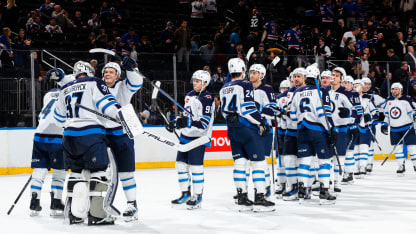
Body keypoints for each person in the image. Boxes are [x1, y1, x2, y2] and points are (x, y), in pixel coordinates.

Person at [53, 61, 128, 225]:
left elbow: (58, 119)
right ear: (90, 71)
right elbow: (107, 105)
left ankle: (75, 215)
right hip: (91, 135)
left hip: (69, 136)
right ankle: (97, 215)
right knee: (99, 172)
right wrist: (122, 117)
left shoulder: (64, 89)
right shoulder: (95, 82)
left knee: (76, 173)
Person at [220, 58, 275, 212]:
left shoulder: (224, 88)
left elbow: (223, 112)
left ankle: (242, 198)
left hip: (231, 128)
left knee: (239, 163)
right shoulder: (245, 84)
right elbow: (248, 108)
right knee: (258, 162)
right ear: (243, 70)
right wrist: (261, 121)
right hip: (246, 128)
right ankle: (259, 199)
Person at [101, 57, 143, 221]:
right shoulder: (98, 88)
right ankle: (101, 205)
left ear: (118, 75)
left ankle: (132, 205)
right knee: (102, 173)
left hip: (122, 134)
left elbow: (136, 83)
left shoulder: (123, 87)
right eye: (105, 71)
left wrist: (131, 69)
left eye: (111, 72)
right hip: (103, 135)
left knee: (126, 172)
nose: (107, 74)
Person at [29, 68, 75, 217]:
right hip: (57, 137)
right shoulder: (70, 95)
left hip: (39, 136)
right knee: (59, 171)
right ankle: (56, 201)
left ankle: (34, 201)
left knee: (39, 170)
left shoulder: (48, 95)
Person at [289, 65, 337, 205]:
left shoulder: (297, 92)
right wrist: (331, 129)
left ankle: (302, 192)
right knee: (324, 161)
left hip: (301, 130)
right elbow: (324, 113)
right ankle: (324, 191)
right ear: (317, 77)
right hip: (318, 131)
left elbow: (292, 115)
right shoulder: (321, 91)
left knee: (304, 161)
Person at [167, 70, 214, 209]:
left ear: (205, 83)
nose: (195, 83)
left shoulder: (207, 98)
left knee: (196, 167)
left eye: (198, 81)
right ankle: (185, 193)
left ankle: (198, 195)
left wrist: (186, 123)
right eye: (194, 80)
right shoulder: (189, 95)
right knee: (180, 165)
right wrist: (175, 122)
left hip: (199, 138)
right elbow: (185, 115)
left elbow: (203, 124)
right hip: (185, 136)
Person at [329, 67, 360, 193]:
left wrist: (348, 114)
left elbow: (356, 112)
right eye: (333, 75)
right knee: (325, 157)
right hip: (328, 129)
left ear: (341, 79)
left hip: (341, 129)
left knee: (339, 156)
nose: (333, 77)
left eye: (336, 75)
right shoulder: (325, 91)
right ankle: (326, 180)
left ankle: (337, 181)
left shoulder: (347, 93)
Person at [249, 64, 277, 198]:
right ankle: (259, 187)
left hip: (265, 129)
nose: (252, 75)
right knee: (254, 161)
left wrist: (259, 109)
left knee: (263, 160)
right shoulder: (247, 89)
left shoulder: (267, 89)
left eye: (255, 73)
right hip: (251, 130)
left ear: (261, 75)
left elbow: (273, 110)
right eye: (251, 72)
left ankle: (266, 186)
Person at [281, 68, 307, 201]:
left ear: (304, 78)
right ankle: (292, 186)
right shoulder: (288, 92)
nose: (296, 78)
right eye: (295, 76)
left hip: (304, 130)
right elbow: (280, 105)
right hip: (290, 131)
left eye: (299, 76)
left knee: (305, 160)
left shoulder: (308, 91)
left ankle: (306, 186)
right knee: (289, 159)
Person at [381, 82, 416, 176]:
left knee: (412, 148)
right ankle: (401, 166)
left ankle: (415, 164)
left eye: (396, 89)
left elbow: (413, 110)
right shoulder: (389, 100)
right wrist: (384, 125)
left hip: (407, 127)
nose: (394, 91)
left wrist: (414, 115)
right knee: (397, 149)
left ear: (401, 90)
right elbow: (387, 115)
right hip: (394, 129)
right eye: (393, 89)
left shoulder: (407, 99)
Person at [362, 77, 385, 173]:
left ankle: (369, 163)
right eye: (365, 84)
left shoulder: (373, 96)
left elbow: (386, 104)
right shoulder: (355, 95)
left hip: (370, 125)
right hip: (358, 124)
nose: (367, 86)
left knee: (369, 144)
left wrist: (376, 113)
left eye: (369, 84)